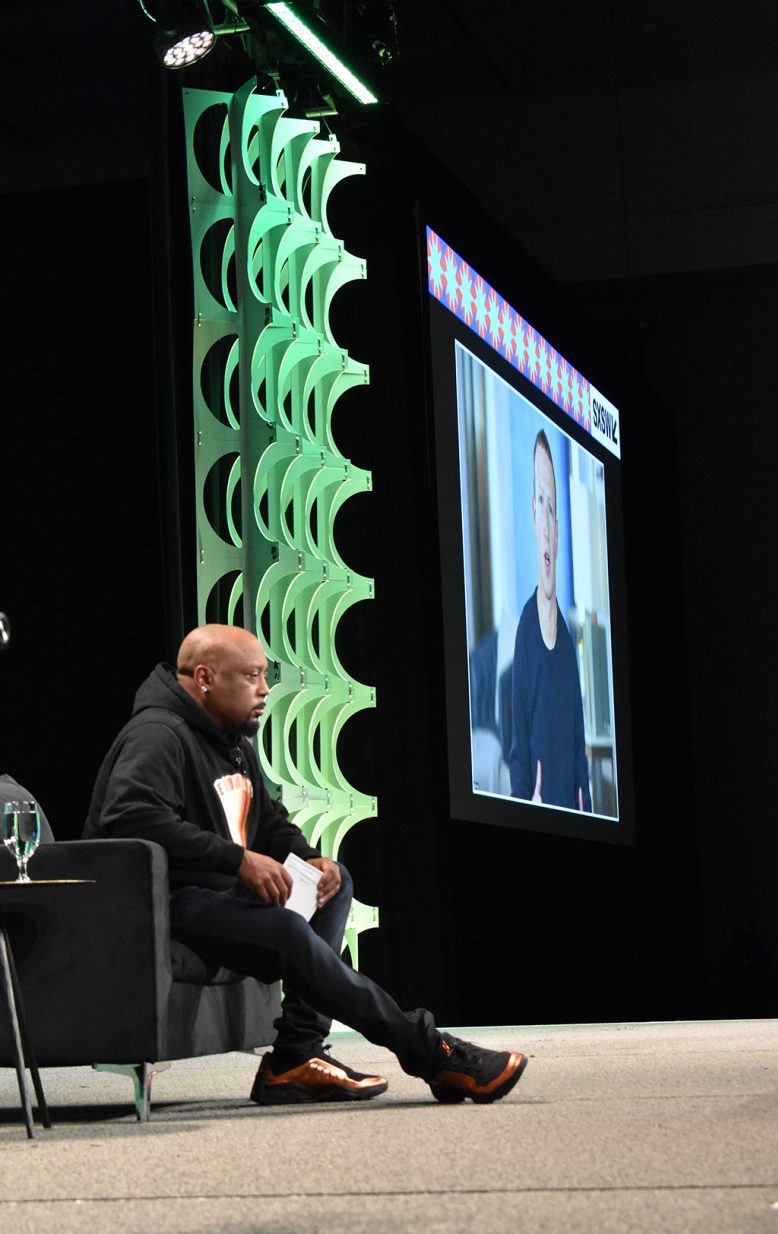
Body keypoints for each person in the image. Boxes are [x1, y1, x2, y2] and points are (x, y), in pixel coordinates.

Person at [84, 624, 527, 1106]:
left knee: (330, 886)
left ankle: (295, 1055)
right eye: (252, 676)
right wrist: (238, 860)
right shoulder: (159, 734)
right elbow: (132, 816)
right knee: (288, 934)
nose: (265, 689)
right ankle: (430, 1052)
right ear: (206, 678)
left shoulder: (228, 739)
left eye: (265, 676)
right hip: (164, 905)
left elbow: (269, 821)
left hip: (212, 897)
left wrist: (308, 857)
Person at [508, 429, 591, 811]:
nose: (545, 521)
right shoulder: (526, 630)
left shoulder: (569, 642)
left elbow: (579, 753)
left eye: (552, 507)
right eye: (540, 503)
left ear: (557, 531)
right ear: (533, 513)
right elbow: (518, 750)